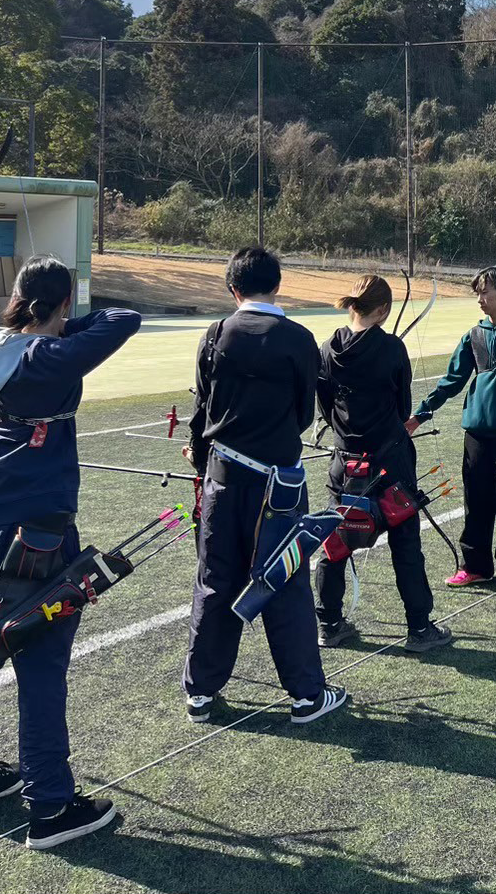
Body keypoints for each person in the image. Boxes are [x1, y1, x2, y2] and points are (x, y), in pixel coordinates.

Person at [0, 258, 140, 850]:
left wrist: (34, 322)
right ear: (59, 305)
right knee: (40, 663)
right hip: (41, 537)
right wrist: (63, 324)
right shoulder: (52, 356)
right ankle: (51, 805)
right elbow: (123, 318)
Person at [183, 247, 346, 728]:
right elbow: (302, 414)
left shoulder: (216, 334)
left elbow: (202, 410)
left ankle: (200, 692)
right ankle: (306, 696)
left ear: (233, 288)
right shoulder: (299, 339)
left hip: (223, 479)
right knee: (285, 582)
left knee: (215, 579)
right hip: (278, 485)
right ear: (277, 285)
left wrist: (203, 454)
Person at [313, 275, 452, 652]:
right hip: (390, 463)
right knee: (405, 543)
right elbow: (403, 408)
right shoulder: (391, 348)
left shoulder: (327, 348)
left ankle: (328, 623)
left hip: (345, 462)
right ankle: (419, 628)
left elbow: (325, 406)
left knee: (335, 540)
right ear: (383, 310)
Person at [410, 267, 496, 598]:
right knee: (477, 501)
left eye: (486, 292)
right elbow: (451, 381)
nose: (480, 299)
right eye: (478, 293)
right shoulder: (475, 335)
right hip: (476, 434)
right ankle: (476, 567)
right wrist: (420, 415)